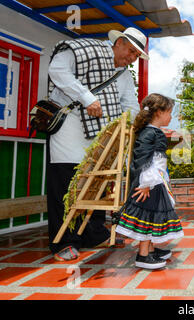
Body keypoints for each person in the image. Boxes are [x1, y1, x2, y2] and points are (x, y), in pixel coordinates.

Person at [47, 27, 147, 261]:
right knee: (67, 184)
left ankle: (95, 234)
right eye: (131, 51)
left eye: (136, 56)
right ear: (119, 42)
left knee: (98, 183)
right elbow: (57, 69)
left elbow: (130, 105)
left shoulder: (124, 75)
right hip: (70, 129)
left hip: (101, 136)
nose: (132, 58)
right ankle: (64, 241)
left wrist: (140, 126)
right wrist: (87, 97)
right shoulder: (86, 49)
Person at [115, 93, 184, 269]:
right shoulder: (153, 133)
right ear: (159, 112)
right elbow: (146, 160)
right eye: (169, 112)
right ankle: (143, 255)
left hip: (152, 182)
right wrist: (146, 184)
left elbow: (147, 160)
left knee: (150, 218)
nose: (171, 116)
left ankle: (150, 250)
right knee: (147, 218)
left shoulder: (148, 132)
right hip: (149, 184)